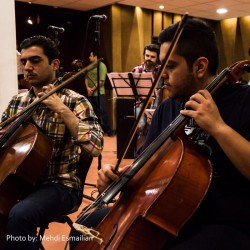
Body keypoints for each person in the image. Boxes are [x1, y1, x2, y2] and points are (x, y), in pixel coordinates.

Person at [73, 18, 250, 249]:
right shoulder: (168, 107)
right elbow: (149, 167)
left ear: (200, 66)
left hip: (224, 221)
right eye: (160, 67)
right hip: (165, 211)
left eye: (171, 66)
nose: (161, 75)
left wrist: (218, 127)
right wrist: (121, 177)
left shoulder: (244, 101)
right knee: (85, 227)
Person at [1, 35, 104, 250]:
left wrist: (62, 110)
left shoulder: (75, 101)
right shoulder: (17, 102)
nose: (27, 67)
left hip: (61, 185)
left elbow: (95, 147)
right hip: (20, 183)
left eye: (35, 61)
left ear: (55, 64)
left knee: (21, 215)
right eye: (24, 62)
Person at [85, 51, 112, 136]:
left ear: (95, 56)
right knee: (93, 113)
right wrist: (88, 89)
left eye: (90, 56)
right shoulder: (89, 66)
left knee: (103, 111)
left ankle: (109, 131)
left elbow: (101, 81)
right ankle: (96, 131)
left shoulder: (102, 66)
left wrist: (92, 89)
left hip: (99, 93)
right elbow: (86, 78)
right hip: (90, 93)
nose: (89, 57)